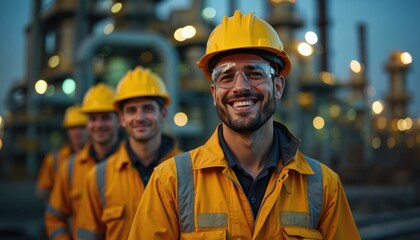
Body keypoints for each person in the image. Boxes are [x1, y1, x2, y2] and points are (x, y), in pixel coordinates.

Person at [128, 10, 360, 239]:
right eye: (226, 77)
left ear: (278, 87)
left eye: (255, 73)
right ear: (214, 93)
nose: (241, 87)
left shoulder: (324, 185)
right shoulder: (170, 182)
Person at [75, 66, 182, 239]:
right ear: (122, 119)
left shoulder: (188, 170)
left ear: (163, 114)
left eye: (147, 108)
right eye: (131, 110)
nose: (139, 117)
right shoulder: (98, 177)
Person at [45, 83, 121, 239]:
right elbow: (54, 218)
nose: (99, 125)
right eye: (93, 119)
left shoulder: (134, 164)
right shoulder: (70, 167)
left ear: (119, 120)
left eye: (105, 118)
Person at [36, 105, 88, 201]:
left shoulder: (98, 157)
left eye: (82, 127)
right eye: (73, 128)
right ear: (67, 131)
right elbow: (42, 191)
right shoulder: (54, 160)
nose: (77, 132)